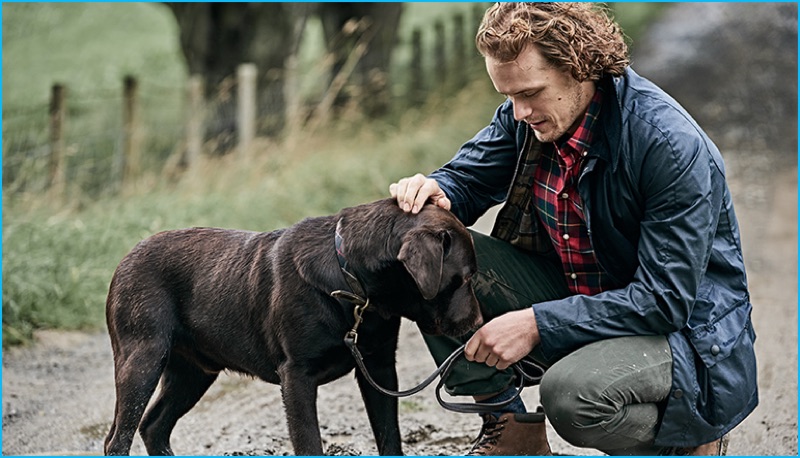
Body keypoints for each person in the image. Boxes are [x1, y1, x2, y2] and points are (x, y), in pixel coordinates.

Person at [389, 3, 757, 456]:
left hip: (679, 333)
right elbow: (465, 180)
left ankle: (690, 439)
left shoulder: (668, 146)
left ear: (580, 66)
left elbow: (664, 301)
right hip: (580, 297)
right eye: (509, 97)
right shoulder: (529, 117)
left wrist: (536, 324)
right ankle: (513, 434)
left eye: (531, 93)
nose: (520, 111)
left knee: (572, 395)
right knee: (425, 248)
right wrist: (435, 190)